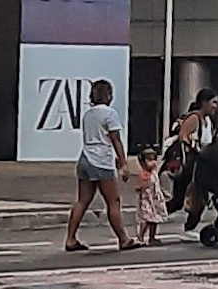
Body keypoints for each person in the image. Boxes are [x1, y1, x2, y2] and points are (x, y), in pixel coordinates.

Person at [65, 77, 131, 252]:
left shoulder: (89, 114)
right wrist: (123, 162)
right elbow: (115, 138)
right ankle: (123, 239)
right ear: (108, 94)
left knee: (82, 201)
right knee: (113, 201)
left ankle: (70, 238)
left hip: (85, 157)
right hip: (102, 160)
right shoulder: (110, 114)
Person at [125, 143, 167, 245]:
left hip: (155, 199)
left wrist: (163, 193)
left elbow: (157, 185)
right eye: (149, 160)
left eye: (154, 160)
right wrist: (143, 185)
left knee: (155, 219)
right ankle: (141, 236)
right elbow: (137, 187)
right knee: (147, 220)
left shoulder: (154, 173)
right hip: (147, 200)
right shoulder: (144, 174)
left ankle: (152, 237)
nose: (153, 163)